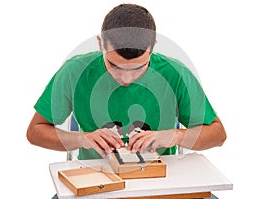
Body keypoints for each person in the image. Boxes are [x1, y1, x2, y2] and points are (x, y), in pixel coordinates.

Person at [27, 3, 226, 161]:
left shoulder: (176, 73)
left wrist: (175, 136)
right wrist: (82, 139)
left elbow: (218, 134)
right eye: (115, 66)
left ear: (153, 47)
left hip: (160, 181)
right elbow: (35, 131)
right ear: (100, 44)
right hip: (98, 178)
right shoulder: (75, 72)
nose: (126, 79)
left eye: (139, 67)